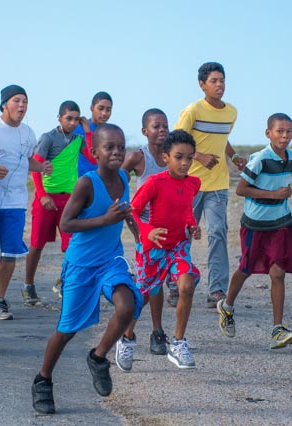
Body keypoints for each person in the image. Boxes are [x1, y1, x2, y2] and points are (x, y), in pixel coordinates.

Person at [31, 124, 142, 415]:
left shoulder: (122, 178)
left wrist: (138, 231)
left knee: (126, 306)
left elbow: (122, 209)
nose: (117, 152)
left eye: (121, 146)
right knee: (67, 330)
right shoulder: (86, 183)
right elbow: (67, 224)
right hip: (81, 265)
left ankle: (98, 357)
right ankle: (43, 379)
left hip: (110, 259)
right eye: (110, 147)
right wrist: (105, 219)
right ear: (94, 153)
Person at [116, 129, 201, 372]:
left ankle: (178, 343)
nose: (185, 163)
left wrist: (192, 226)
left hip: (178, 246)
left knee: (186, 285)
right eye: (179, 157)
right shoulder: (155, 182)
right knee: (142, 296)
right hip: (152, 249)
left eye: (189, 157)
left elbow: (186, 211)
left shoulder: (194, 183)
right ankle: (127, 338)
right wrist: (147, 231)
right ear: (166, 158)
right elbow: (132, 210)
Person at [217, 113, 292, 349]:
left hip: (281, 224)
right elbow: (241, 190)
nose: (285, 135)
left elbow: (281, 185)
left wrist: (282, 195)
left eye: (289, 131)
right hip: (255, 225)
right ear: (269, 133)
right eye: (280, 131)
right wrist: (274, 195)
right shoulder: (260, 160)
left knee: (278, 273)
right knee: (246, 269)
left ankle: (277, 329)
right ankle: (226, 306)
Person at [0, 84, 52, 320]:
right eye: (17, 101)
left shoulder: (28, 133)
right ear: (4, 104)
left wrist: (42, 167)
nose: (21, 106)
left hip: (15, 202)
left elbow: (25, 161)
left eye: (25, 101)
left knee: (10, 252)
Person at [174, 62, 246, 308]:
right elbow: (177, 142)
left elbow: (222, 139)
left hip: (217, 184)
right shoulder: (193, 110)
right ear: (202, 84)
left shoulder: (231, 112)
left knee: (217, 233)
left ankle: (216, 289)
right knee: (182, 234)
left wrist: (234, 156)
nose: (219, 85)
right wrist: (199, 156)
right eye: (214, 81)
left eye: (222, 80)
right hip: (188, 183)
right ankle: (176, 283)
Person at [23, 101, 88, 305]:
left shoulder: (79, 139)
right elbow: (35, 167)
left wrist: (87, 131)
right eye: (69, 118)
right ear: (59, 117)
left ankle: (65, 282)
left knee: (72, 245)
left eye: (76, 119)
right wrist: (42, 195)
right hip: (46, 198)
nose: (72, 122)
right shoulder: (48, 138)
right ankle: (28, 285)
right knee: (37, 244)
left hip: (69, 199)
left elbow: (93, 158)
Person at [121, 108, 173, 355]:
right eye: (156, 126)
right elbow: (117, 184)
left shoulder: (173, 157)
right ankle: (127, 331)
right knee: (148, 285)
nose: (162, 130)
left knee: (158, 283)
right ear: (145, 131)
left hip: (171, 232)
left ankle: (157, 331)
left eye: (165, 126)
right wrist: (135, 228)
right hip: (147, 231)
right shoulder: (138, 158)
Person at [74, 91, 113, 176]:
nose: (104, 113)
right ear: (92, 108)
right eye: (100, 108)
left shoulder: (111, 133)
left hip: (101, 181)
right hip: (79, 181)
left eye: (108, 110)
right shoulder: (78, 129)